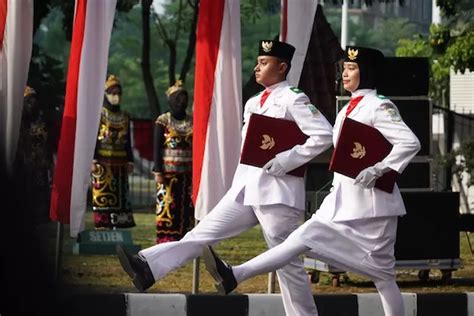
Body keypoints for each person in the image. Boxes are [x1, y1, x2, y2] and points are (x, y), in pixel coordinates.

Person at [116, 40, 333, 316]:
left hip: (278, 191)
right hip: (246, 187)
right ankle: (148, 267)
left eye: (264, 63)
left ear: (282, 66)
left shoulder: (293, 98)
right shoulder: (254, 102)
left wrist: (286, 159)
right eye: (257, 61)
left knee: (287, 264)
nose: (257, 67)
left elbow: (324, 134)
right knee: (202, 233)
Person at [203, 46, 421, 316]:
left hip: (372, 209)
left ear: (368, 73)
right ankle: (234, 274)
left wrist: (379, 169)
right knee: (301, 240)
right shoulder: (347, 109)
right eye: (344, 69)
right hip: (340, 203)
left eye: (351, 69)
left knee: (383, 277)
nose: (344, 74)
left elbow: (410, 142)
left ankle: (235, 274)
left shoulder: (380, 105)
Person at [91, 75, 136, 229]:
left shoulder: (125, 116)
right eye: (112, 92)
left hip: (121, 162)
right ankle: (103, 224)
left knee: (120, 195)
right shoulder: (99, 114)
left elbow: (128, 141)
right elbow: (93, 138)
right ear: (105, 94)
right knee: (103, 194)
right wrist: (93, 159)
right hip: (102, 162)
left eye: (118, 93)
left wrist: (130, 160)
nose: (115, 96)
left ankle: (120, 225)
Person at [153, 80, 194, 243]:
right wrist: (158, 171)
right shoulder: (163, 120)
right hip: (168, 173)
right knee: (168, 204)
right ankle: (167, 236)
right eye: (178, 98)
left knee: (185, 205)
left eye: (184, 98)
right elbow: (156, 148)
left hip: (188, 173)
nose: (181, 102)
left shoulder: (192, 121)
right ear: (171, 100)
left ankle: (185, 236)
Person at [15, 86, 54, 226]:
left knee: (40, 198)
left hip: (40, 167)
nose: (32, 104)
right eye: (28, 101)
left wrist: (50, 164)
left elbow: (48, 145)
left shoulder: (42, 123)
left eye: (34, 100)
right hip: (22, 168)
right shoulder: (16, 124)